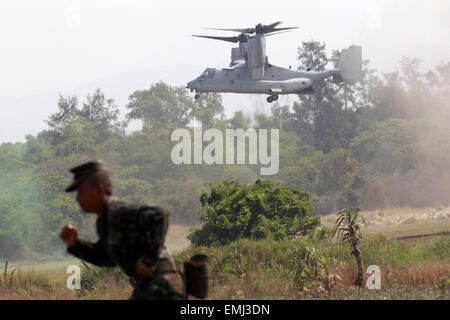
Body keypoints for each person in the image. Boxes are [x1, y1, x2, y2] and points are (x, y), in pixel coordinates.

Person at [60, 160, 186, 300]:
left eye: (81, 192)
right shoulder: (104, 221)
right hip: (148, 287)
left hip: (163, 286)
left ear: (99, 190)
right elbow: (106, 259)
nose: (77, 199)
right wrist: (76, 244)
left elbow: (159, 215)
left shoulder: (119, 212)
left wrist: (149, 260)